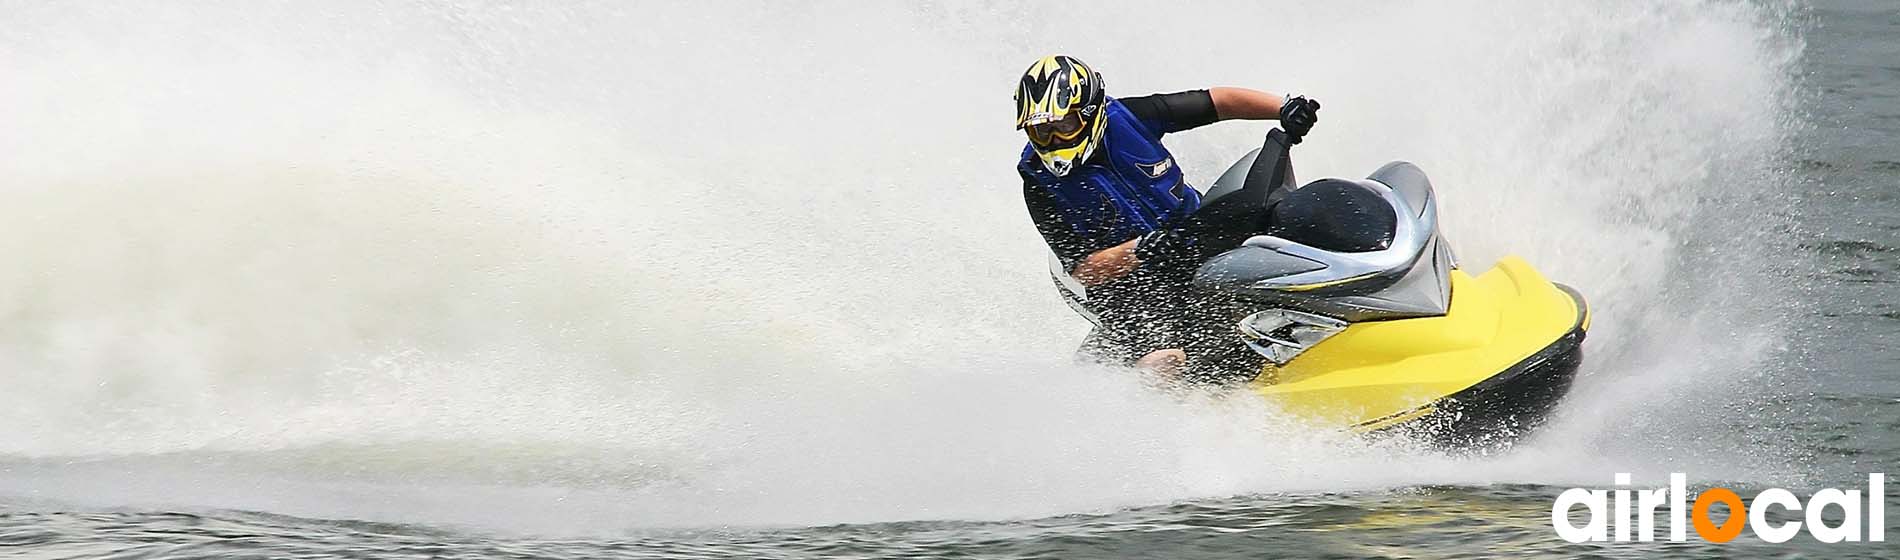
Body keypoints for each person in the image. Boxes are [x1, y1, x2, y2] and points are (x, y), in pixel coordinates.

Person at [1014, 54, 1320, 376]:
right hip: (1133, 284)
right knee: (1163, 362)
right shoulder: (1039, 185)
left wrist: (1284, 108)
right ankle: (1192, 411)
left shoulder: (1131, 116)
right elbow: (1083, 270)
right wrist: (1141, 249)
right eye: (1040, 132)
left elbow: (1219, 102)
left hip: (1192, 237)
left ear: (1090, 112)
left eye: (1062, 126)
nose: (1052, 140)